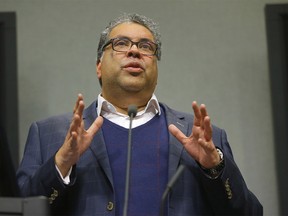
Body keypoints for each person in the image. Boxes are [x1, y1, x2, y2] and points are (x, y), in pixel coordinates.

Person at [16, 13, 263, 216]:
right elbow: (21, 211)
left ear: (156, 66)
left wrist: (215, 168)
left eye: (146, 47)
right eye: (121, 44)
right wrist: (61, 163)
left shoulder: (204, 138)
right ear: (99, 66)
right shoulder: (49, 134)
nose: (134, 52)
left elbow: (249, 212)